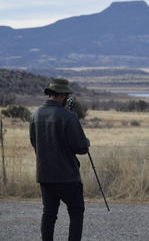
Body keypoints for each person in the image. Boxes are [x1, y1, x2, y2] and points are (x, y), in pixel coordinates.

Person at [29, 78, 90, 241]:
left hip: (45, 174)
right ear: (62, 95)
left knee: (49, 213)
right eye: (67, 95)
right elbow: (81, 148)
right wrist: (86, 141)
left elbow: (34, 143)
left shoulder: (35, 114)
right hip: (68, 176)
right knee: (76, 213)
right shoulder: (69, 117)